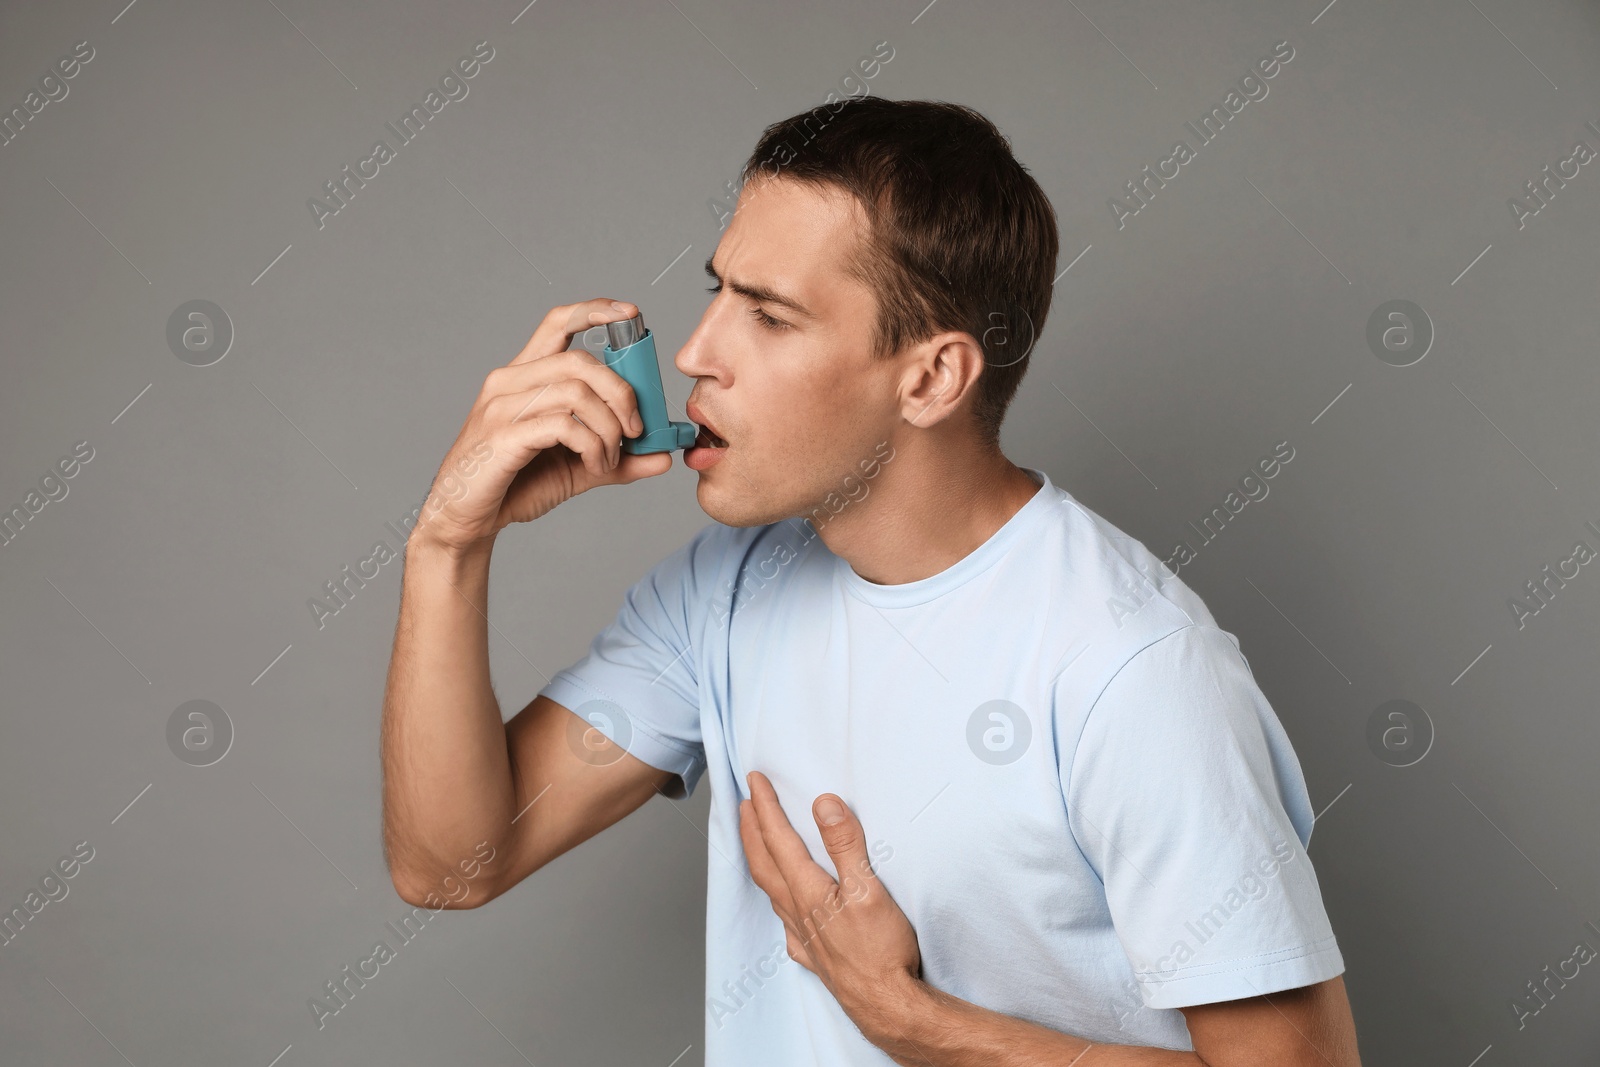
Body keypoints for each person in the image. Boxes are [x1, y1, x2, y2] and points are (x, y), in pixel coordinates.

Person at [379, 97, 1363, 1066]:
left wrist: (915, 1022)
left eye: (767, 315)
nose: (694, 352)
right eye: (718, 289)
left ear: (932, 378)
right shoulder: (723, 590)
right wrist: (447, 543)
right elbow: (450, 864)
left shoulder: (1131, 666)